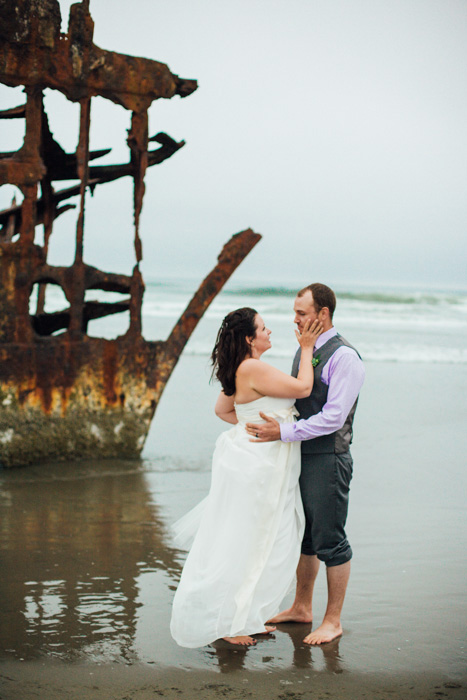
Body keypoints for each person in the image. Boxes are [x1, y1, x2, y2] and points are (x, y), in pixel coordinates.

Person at [170, 307, 323, 647]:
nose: (270, 333)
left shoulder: (240, 369)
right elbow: (302, 388)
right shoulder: (252, 367)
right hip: (258, 466)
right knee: (245, 539)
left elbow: (223, 410)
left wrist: (248, 425)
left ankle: (245, 616)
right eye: (264, 328)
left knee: (258, 539)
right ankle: (226, 625)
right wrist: (308, 347)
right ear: (249, 339)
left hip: (255, 461)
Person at [245, 283, 365, 646]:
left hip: (329, 458)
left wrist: (283, 431)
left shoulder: (345, 358)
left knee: (331, 539)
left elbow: (332, 417)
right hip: (303, 455)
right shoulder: (306, 349)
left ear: (322, 314)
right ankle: (301, 607)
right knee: (307, 537)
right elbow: (299, 394)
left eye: (301, 312)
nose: (294, 318)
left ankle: (333, 620)